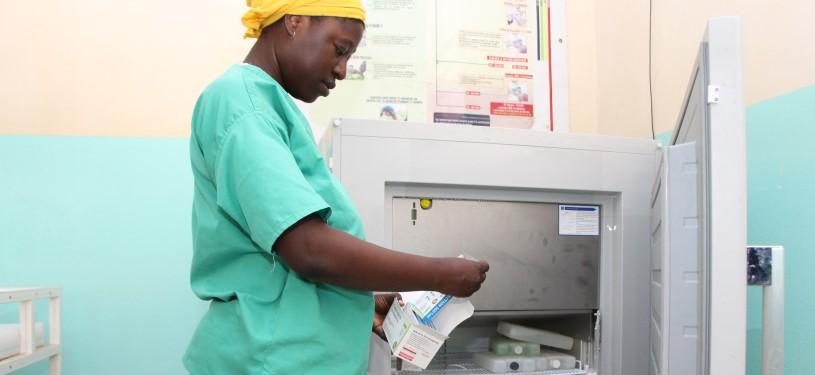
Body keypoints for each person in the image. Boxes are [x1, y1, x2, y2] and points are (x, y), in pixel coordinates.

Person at [182, 1, 490, 374]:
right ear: (294, 21)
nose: (342, 70)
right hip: (271, 360)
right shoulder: (242, 102)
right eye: (340, 49)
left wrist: (358, 301)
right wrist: (438, 274)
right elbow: (307, 249)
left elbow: (286, 261)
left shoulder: (270, 106)